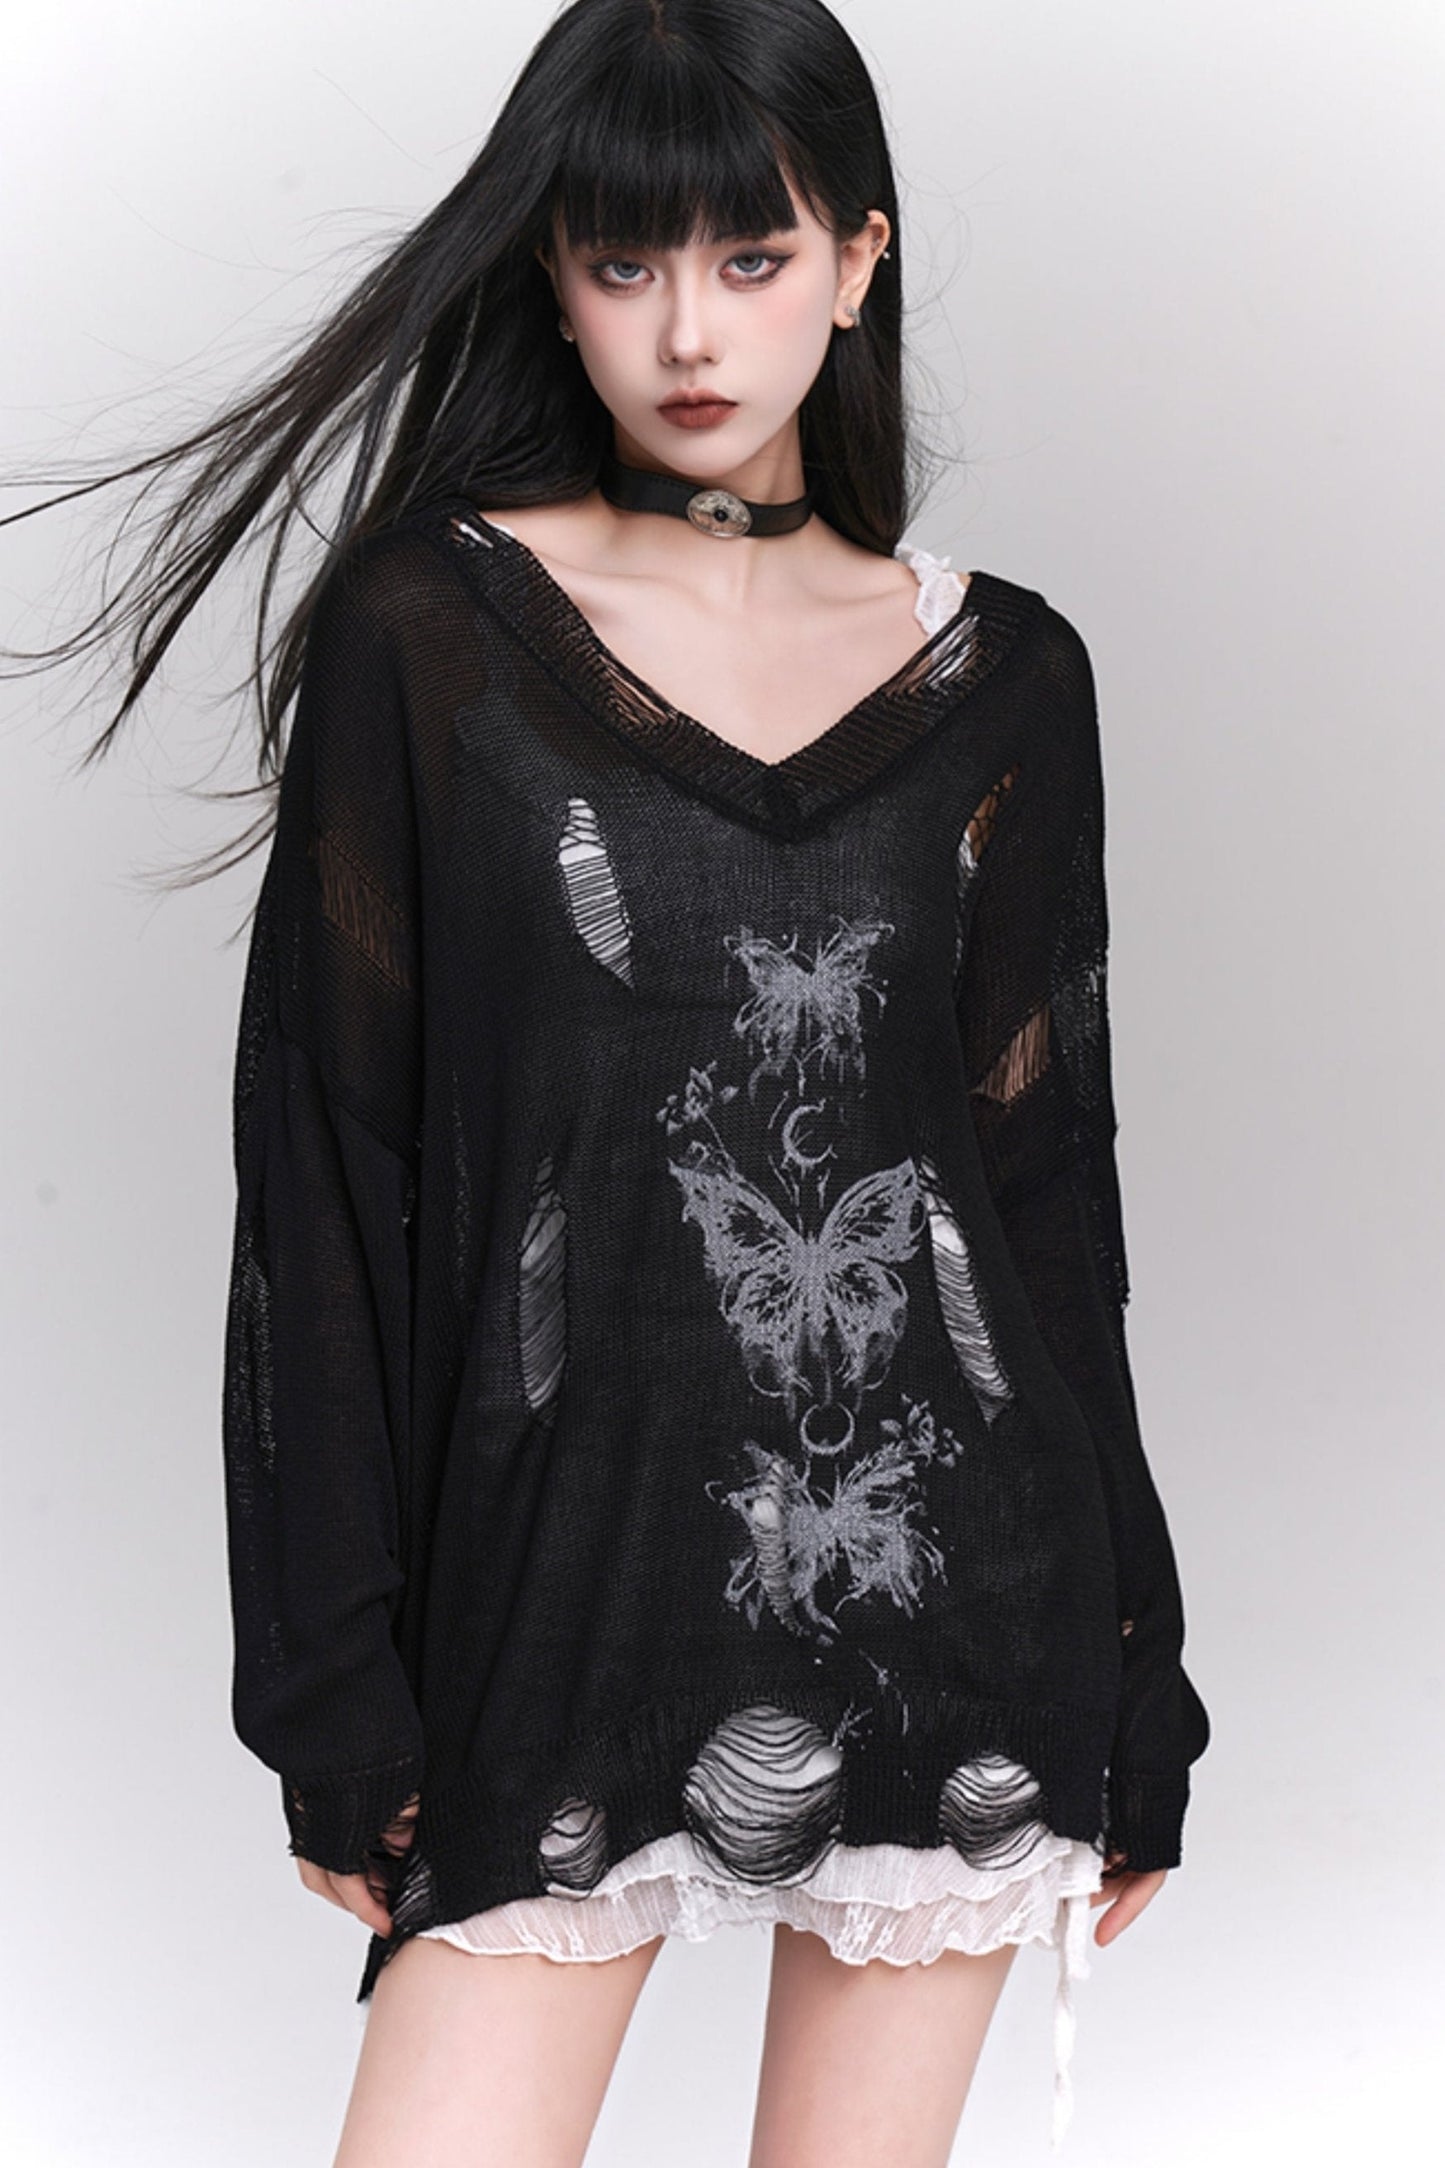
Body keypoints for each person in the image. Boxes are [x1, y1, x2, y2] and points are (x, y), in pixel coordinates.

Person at [3, 2, 1210, 2161]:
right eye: (624, 259)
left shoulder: (1009, 677)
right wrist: (331, 1680)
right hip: (558, 1605)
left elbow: (1043, 1195)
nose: (688, 332)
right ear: (552, 278)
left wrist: (1140, 1663)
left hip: (955, 1591)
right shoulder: (432, 637)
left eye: (751, 257)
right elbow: (326, 1165)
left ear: (857, 261)